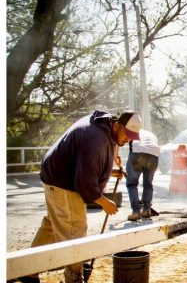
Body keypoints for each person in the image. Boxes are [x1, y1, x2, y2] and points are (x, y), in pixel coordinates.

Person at [22, 110, 139, 283]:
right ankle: (74, 278)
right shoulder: (96, 137)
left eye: (132, 137)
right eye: (127, 135)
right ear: (117, 125)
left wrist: (109, 172)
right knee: (74, 229)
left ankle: (26, 269)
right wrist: (105, 202)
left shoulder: (103, 130)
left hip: (59, 176)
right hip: (63, 182)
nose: (128, 139)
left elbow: (87, 162)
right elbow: (84, 182)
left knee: (54, 225)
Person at [125, 125, 161, 221]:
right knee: (148, 183)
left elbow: (126, 142)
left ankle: (136, 211)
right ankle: (146, 209)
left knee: (132, 183)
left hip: (137, 152)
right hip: (154, 155)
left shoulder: (132, 131)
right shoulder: (151, 135)